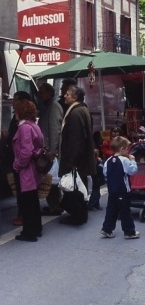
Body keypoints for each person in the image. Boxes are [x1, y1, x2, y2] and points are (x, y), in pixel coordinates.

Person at [59, 85, 96, 225]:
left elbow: (76, 140)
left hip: (76, 159)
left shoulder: (75, 113)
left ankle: (77, 216)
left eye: (67, 94)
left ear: (75, 97)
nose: (64, 96)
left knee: (75, 188)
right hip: (82, 158)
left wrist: (71, 161)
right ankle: (80, 215)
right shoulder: (83, 109)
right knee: (80, 186)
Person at [12, 99, 44, 242]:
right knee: (33, 201)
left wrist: (17, 165)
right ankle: (36, 229)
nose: (14, 113)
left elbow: (26, 152)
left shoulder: (24, 128)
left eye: (16, 110)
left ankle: (29, 232)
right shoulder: (34, 125)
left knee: (27, 202)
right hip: (34, 169)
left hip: (27, 170)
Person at [100, 136, 140, 239]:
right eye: (126, 148)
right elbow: (133, 171)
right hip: (122, 191)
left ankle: (107, 229)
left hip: (112, 191)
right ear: (122, 149)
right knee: (125, 211)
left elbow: (105, 173)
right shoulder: (124, 160)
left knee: (111, 210)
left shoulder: (108, 160)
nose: (127, 150)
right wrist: (133, 160)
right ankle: (129, 232)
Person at [4, 91, 32, 227]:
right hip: (18, 161)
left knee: (24, 190)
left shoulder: (24, 126)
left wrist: (17, 164)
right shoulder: (22, 123)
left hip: (21, 163)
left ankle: (24, 218)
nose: (13, 102)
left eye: (15, 100)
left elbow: (25, 149)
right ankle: (26, 217)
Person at [37, 82, 63, 215]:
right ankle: (54, 204)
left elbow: (54, 130)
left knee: (51, 180)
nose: (39, 95)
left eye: (42, 92)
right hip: (49, 149)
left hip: (51, 151)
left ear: (49, 93)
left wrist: (53, 151)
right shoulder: (49, 106)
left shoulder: (53, 107)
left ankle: (55, 205)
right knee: (50, 180)